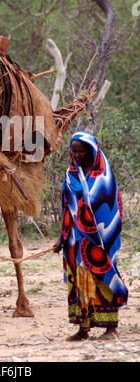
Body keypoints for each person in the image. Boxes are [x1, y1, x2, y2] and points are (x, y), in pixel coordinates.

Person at [54, 131, 128, 341]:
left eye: (81, 151)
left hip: (100, 242)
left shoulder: (104, 176)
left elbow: (111, 209)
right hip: (75, 240)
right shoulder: (71, 175)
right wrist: (61, 237)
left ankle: (111, 328)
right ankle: (82, 329)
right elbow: (67, 208)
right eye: (74, 151)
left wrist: (103, 238)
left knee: (103, 278)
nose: (76, 155)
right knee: (78, 283)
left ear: (91, 150)